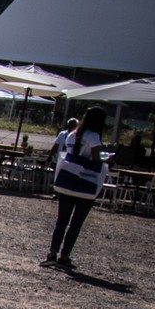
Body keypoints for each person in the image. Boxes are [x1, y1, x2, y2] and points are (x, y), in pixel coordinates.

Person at [43, 107, 107, 271]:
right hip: (85, 183)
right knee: (76, 222)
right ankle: (64, 256)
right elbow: (96, 159)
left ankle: (52, 253)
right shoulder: (93, 136)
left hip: (67, 180)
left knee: (62, 221)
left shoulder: (72, 134)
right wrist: (109, 158)